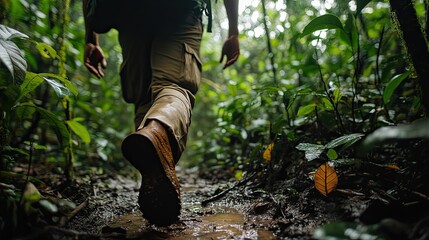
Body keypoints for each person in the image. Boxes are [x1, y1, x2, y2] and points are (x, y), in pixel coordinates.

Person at [83, 0, 240, 226]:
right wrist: (233, 31)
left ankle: (154, 168)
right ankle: (157, 132)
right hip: (180, 10)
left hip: (126, 13)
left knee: (144, 98)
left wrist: (91, 37)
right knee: (175, 86)